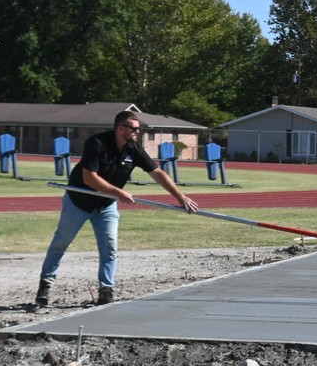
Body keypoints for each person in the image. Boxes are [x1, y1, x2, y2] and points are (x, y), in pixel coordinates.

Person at [35, 111, 199, 307]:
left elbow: (157, 173)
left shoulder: (134, 149)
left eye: (138, 129)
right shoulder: (96, 143)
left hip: (106, 205)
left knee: (109, 248)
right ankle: (45, 285)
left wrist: (179, 196)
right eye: (134, 129)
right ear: (120, 128)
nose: (137, 132)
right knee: (60, 243)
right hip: (79, 202)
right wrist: (118, 192)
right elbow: (89, 178)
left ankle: (106, 290)